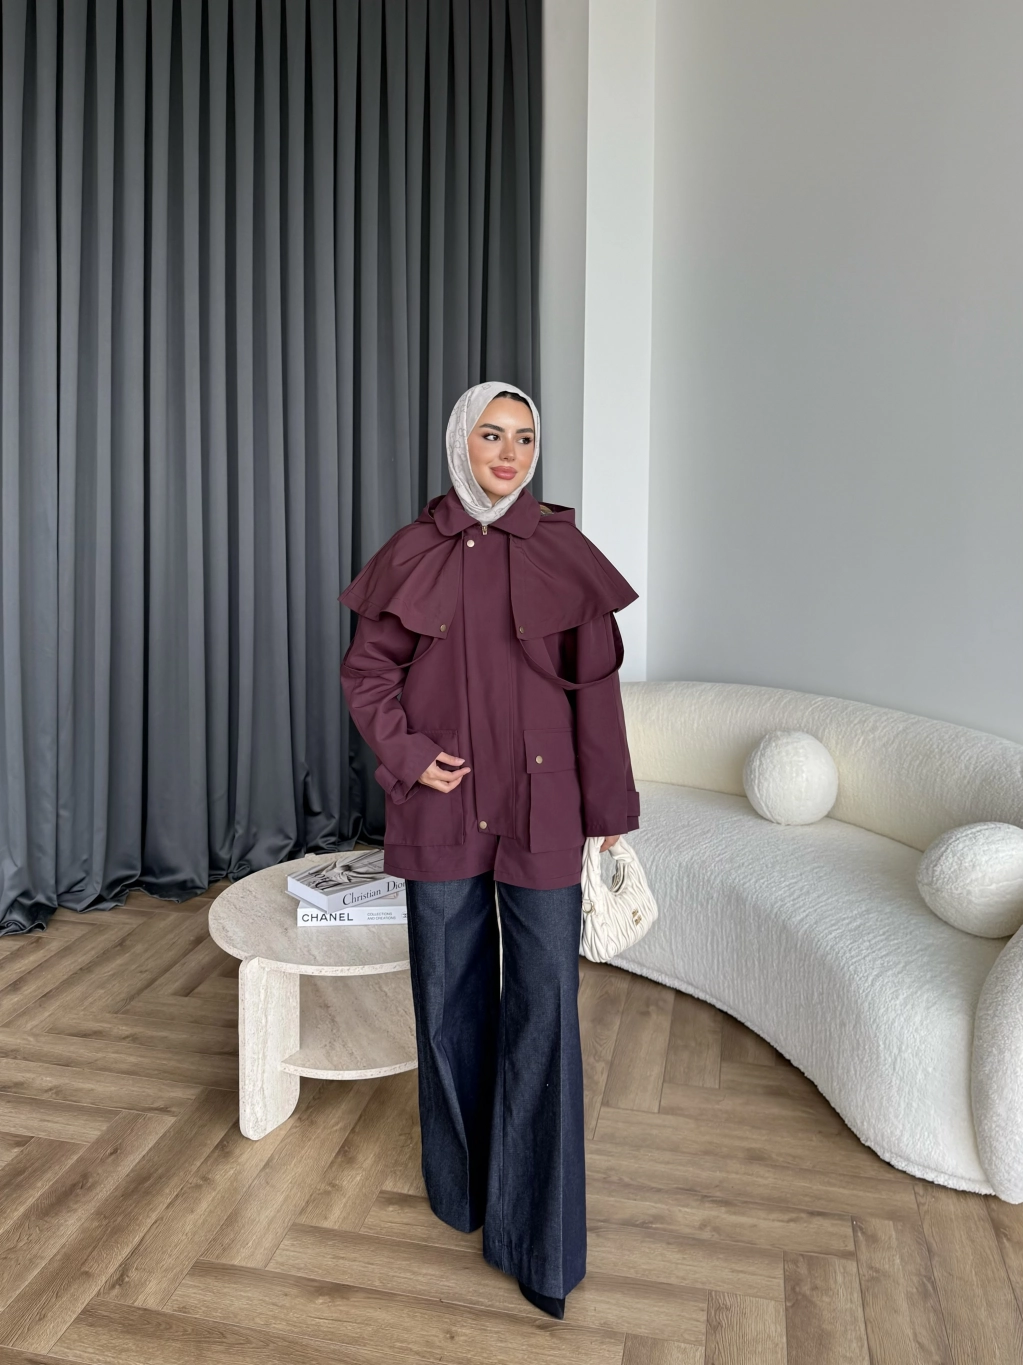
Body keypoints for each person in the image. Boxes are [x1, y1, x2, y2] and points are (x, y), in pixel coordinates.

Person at [338, 379, 641, 1318]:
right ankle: (462, 1190)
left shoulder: (563, 550)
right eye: (491, 436)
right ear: (458, 443)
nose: (510, 455)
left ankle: (539, 1242)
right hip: (443, 803)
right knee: (446, 999)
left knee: (545, 1008)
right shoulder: (412, 550)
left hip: (543, 808)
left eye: (525, 439)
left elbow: (597, 693)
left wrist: (609, 808)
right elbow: (367, 672)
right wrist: (408, 755)